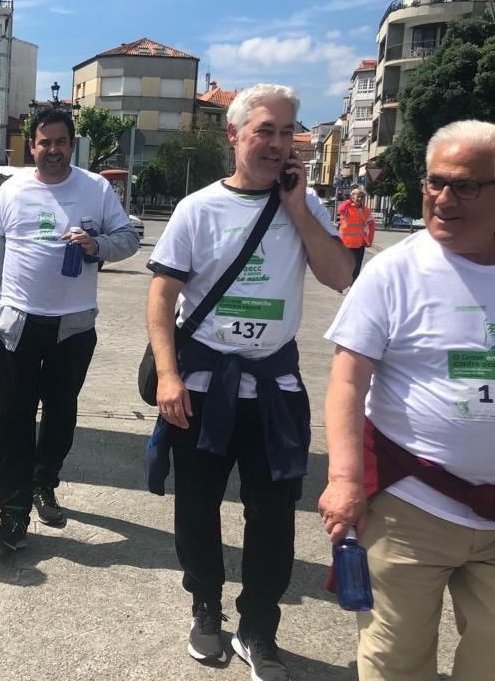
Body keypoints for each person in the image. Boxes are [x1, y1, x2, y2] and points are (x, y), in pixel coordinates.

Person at [145, 83, 352, 681]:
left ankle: (258, 627)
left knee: (273, 516)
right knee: (198, 508)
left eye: (288, 132)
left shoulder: (304, 205)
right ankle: (205, 607)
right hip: (203, 383)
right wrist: (167, 374)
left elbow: (340, 275)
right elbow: (162, 297)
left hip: (273, 387)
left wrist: (298, 208)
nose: (278, 143)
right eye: (265, 130)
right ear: (233, 135)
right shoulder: (197, 208)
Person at [319, 120, 495, 681]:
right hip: (410, 504)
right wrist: (345, 480)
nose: (442, 199)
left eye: (464, 185)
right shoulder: (395, 271)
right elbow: (347, 381)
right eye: (434, 182)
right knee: (396, 659)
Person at [0, 106, 140, 550]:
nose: (52, 150)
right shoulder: (12, 190)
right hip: (17, 324)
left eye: (60, 142)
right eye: (44, 142)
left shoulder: (96, 188)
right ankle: (12, 513)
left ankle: (45, 481)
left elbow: (129, 238)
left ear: (72, 144)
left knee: (61, 412)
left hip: (73, 326)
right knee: (14, 419)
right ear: (32, 146)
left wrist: (97, 244)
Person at [337, 186, 375, 281]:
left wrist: (370, 239)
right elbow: (340, 209)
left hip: (359, 243)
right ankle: (343, 282)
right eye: (357, 196)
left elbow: (371, 225)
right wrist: (349, 201)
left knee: (357, 266)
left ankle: (352, 285)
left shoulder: (366, 210)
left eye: (361, 197)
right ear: (352, 197)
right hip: (346, 242)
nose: (359, 199)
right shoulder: (347, 209)